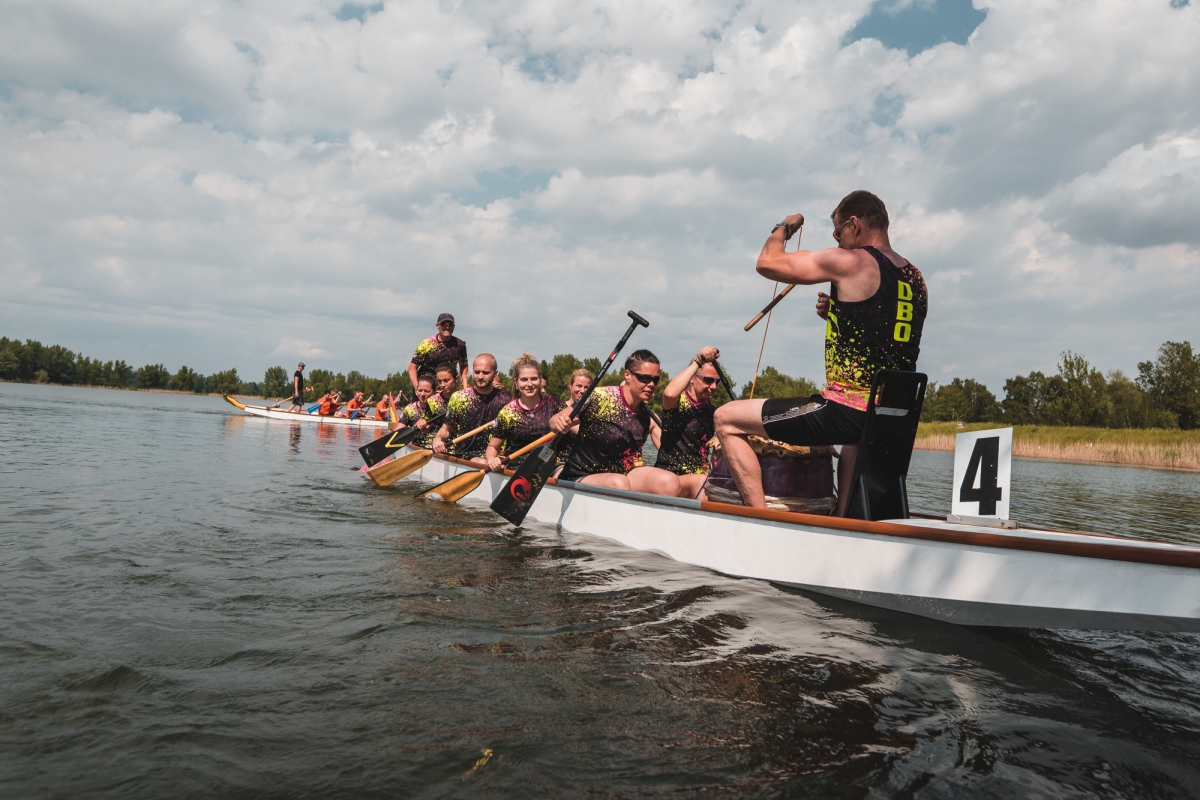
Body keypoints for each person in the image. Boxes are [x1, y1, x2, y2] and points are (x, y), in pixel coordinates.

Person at [714, 190, 928, 514]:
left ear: (854, 224)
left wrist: (784, 226)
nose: (837, 241)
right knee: (853, 443)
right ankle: (841, 522)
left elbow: (767, 263)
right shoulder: (914, 277)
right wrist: (837, 314)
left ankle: (760, 521)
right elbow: (885, 334)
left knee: (726, 418)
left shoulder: (853, 261)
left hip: (845, 411)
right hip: (892, 416)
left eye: (838, 232)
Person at [550, 349, 681, 497]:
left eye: (655, 380)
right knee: (619, 483)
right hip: (580, 474)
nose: (651, 384)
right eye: (644, 378)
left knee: (670, 482)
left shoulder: (646, 415)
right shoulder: (601, 397)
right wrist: (560, 423)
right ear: (627, 375)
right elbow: (554, 420)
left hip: (620, 474)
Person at [655, 346, 721, 500]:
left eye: (716, 382)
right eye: (708, 380)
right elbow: (669, 393)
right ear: (692, 378)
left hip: (699, 478)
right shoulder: (678, 403)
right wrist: (699, 360)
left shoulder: (714, 413)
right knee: (702, 481)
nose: (713, 387)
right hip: (670, 476)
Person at [486, 354, 567, 472]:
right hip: (517, 468)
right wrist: (492, 459)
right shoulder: (508, 412)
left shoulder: (554, 403)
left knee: (563, 471)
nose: (529, 384)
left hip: (550, 466)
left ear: (540, 380)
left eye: (534, 379)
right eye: (524, 379)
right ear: (516, 382)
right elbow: (493, 446)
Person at [432, 354, 511, 462]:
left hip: (498, 458)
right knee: (483, 462)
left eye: (486, 372)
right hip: (467, 455)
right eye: (477, 372)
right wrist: (438, 439)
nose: (480, 376)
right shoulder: (459, 398)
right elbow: (446, 429)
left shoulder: (507, 399)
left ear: (495, 373)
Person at [408, 313, 469, 391]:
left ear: (453, 326)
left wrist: (465, 388)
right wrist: (417, 388)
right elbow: (412, 367)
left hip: (448, 388)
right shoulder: (427, 344)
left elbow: (464, 366)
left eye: (450, 324)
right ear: (437, 326)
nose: (447, 326)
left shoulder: (460, 344)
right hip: (426, 389)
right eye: (444, 324)